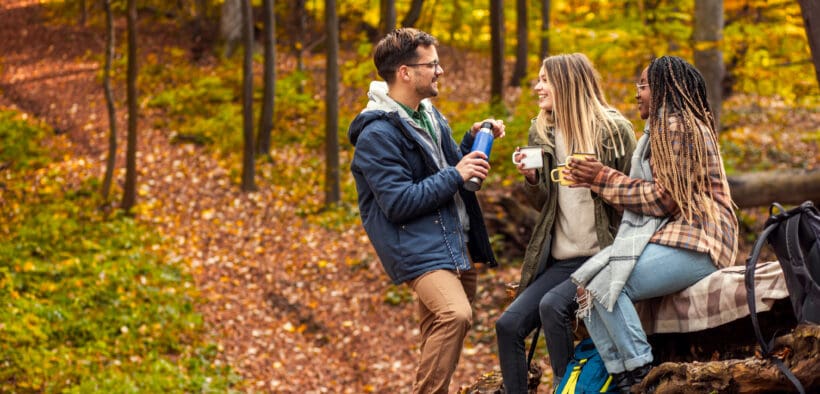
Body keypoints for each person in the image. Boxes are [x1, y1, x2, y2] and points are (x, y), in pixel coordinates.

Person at [567, 56, 739, 393]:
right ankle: (623, 376)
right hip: (677, 238)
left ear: (663, 89)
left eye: (643, 86)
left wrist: (601, 177)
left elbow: (664, 199)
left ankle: (643, 375)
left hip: (699, 237)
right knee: (588, 287)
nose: (637, 94)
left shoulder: (676, 126)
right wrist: (599, 180)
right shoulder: (662, 130)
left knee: (606, 284)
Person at [347, 27, 505, 394]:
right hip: (418, 247)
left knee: (437, 330)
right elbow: (399, 202)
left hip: (454, 240)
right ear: (405, 72)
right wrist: (457, 172)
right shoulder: (377, 135)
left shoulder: (429, 115)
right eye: (432, 64)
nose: (440, 71)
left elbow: (449, 167)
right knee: (456, 314)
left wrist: (473, 139)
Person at [495, 53, 637, 393]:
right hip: (563, 259)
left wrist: (601, 180)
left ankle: (567, 387)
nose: (537, 86)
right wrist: (531, 180)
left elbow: (637, 194)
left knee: (552, 306)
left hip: (604, 254)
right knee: (508, 326)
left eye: (545, 80)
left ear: (567, 83)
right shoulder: (541, 130)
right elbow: (544, 203)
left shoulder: (614, 130)